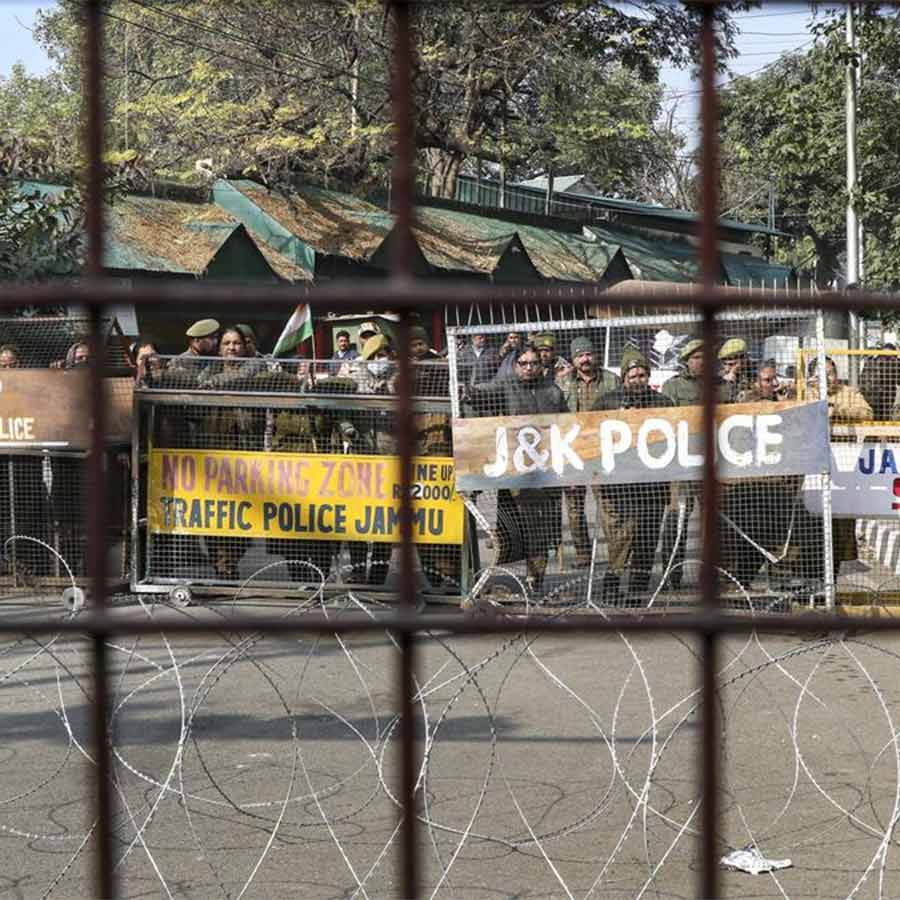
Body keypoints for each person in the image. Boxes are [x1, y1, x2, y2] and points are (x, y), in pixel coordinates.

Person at [470, 344, 568, 592]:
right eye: (523, 363)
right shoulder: (506, 387)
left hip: (544, 474)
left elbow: (566, 427)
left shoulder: (553, 392)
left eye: (533, 363)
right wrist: (465, 391)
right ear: (515, 366)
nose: (528, 368)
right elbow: (479, 393)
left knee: (541, 533)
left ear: (541, 365)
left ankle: (535, 582)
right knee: (510, 532)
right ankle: (499, 580)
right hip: (514, 475)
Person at [592, 350, 673, 603]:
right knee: (619, 539)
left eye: (642, 375)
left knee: (647, 541)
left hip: (652, 486)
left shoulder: (663, 403)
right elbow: (591, 435)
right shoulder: (606, 402)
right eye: (632, 375)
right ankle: (612, 586)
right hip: (618, 487)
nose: (637, 379)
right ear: (623, 377)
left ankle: (638, 591)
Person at [658, 338, 731, 590]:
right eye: (697, 358)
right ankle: (671, 576)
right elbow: (663, 424)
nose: (703, 362)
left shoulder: (723, 388)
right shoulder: (673, 387)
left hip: (716, 464)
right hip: (682, 465)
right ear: (687, 360)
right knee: (676, 522)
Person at [724, 360, 800, 588]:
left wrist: (787, 408)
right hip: (750, 484)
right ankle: (740, 584)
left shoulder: (780, 403)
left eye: (775, 379)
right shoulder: (746, 403)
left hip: (777, 482)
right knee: (749, 538)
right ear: (755, 383)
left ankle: (778, 585)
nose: (775, 384)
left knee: (778, 538)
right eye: (768, 380)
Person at [801, 356, 873, 582]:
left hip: (843, 468)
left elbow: (867, 413)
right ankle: (811, 575)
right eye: (822, 373)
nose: (828, 378)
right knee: (812, 523)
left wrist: (836, 406)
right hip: (812, 470)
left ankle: (832, 576)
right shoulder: (804, 393)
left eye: (831, 372)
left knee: (841, 524)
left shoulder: (848, 393)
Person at [201, 328, 262, 580]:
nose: (232, 348)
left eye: (237, 343)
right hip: (214, 452)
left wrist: (212, 383)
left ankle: (230, 558)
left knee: (242, 515)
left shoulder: (254, 366)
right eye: (226, 343)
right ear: (219, 348)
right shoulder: (210, 369)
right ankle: (221, 562)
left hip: (244, 452)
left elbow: (244, 374)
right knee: (214, 513)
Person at [556, 336, 620, 567]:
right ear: (573, 359)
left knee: (608, 504)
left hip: (604, 450)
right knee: (574, 506)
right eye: (580, 355)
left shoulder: (612, 380)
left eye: (588, 354)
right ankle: (583, 552)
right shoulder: (562, 383)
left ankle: (617, 552)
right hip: (573, 451)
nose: (585, 359)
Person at [718, 337, 753, 401]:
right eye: (724, 364)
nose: (727, 369)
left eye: (731, 364)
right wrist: (726, 384)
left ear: (744, 360)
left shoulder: (754, 375)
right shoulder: (719, 378)